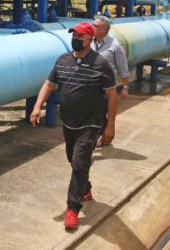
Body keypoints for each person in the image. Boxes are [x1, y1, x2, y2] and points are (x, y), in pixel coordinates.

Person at [30, 21, 117, 230]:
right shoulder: (63, 60)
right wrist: (37, 107)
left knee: (79, 163)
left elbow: (112, 95)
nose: (75, 40)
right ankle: (85, 188)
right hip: (68, 122)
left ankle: (72, 208)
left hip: (91, 123)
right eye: (74, 36)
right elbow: (49, 84)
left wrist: (110, 126)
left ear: (90, 40)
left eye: (80, 37)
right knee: (74, 159)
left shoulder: (100, 63)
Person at [92, 15, 129, 147]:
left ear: (105, 29)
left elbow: (123, 68)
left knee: (102, 113)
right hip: (91, 86)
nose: (93, 27)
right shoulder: (90, 43)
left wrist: (125, 87)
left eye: (96, 26)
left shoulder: (115, 46)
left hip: (107, 88)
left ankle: (102, 137)